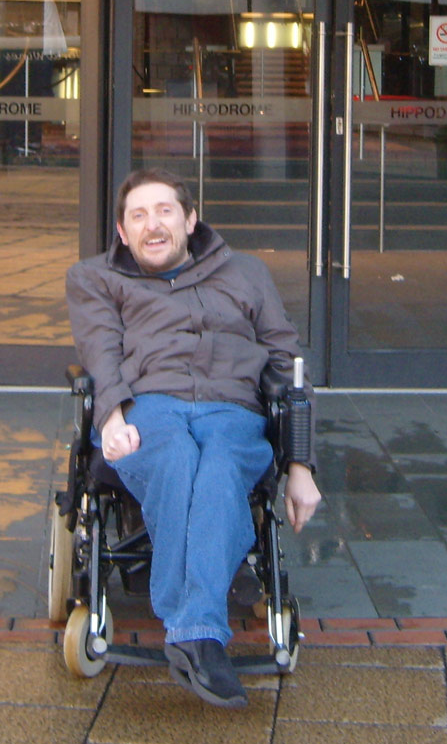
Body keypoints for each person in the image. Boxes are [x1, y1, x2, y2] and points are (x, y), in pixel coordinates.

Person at [66, 168, 323, 708]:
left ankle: (189, 630)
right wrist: (112, 419)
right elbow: (100, 353)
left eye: (164, 211)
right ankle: (200, 637)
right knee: (179, 459)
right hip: (148, 408)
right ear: (121, 231)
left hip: (233, 409)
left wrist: (301, 465)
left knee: (221, 469)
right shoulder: (95, 278)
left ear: (190, 219)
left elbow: (286, 362)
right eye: (138, 215)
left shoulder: (246, 272)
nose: (152, 225)